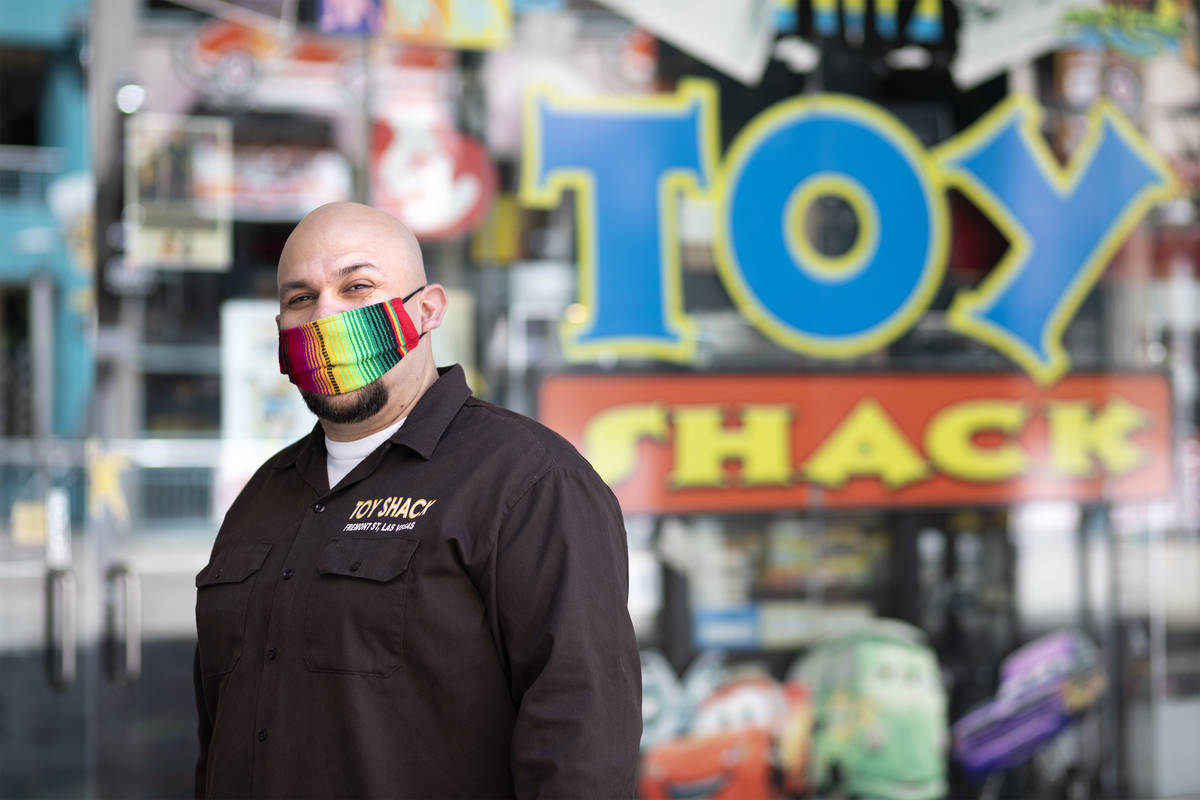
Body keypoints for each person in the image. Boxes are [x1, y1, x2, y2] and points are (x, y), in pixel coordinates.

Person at [194, 202, 642, 799]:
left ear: (427, 310)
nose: (326, 314)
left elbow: (581, 747)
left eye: (357, 286)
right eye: (301, 299)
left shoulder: (529, 483)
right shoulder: (262, 499)